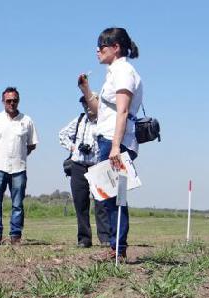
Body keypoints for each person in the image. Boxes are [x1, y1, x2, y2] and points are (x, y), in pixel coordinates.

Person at [78, 27, 142, 261]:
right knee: (106, 195)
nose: (97, 51)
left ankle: (118, 247)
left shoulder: (124, 71)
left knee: (114, 195)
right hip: (106, 138)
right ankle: (116, 246)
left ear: (116, 48)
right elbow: (99, 112)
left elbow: (123, 111)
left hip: (117, 141)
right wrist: (85, 90)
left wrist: (116, 147)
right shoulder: (113, 73)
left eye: (102, 47)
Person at [0, 87, 38, 245]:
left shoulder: (26, 120)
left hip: (18, 168)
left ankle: (15, 236)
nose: (11, 103)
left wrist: (19, 155)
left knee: (17, 204)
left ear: (18, 101)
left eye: (14, 100)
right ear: (3, 102)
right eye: (8, 100)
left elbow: (31, 145)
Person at [57, 95, 110, 248]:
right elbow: (62, 135)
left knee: (102, 203)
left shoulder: (105, 121)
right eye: (84, 103)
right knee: (81, 204)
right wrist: (73, 148)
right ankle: (84, 239)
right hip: (78, 165)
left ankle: (105, 238)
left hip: (98, 165)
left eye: (89, 102)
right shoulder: (79, 120)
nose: (87, 106)